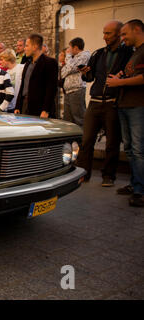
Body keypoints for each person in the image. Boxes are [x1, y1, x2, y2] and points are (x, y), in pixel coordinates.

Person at [77, 20, 134, 187]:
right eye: (103, 33)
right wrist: (85, 73)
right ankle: (83, 173)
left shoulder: (128, 54)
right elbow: (90, 78)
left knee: (112, 142)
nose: (104, 37)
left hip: (113, 103)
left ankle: (108, 176)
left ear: (118, 34)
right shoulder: (98, 53)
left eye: (108, 33)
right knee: (87, 140)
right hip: (94, 102)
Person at [106, 19, 144, 207]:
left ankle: (141, 190)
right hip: (125, 105)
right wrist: (121, 77)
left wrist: (119, 83)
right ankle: (135, 184)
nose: (122, 38)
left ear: (137, 29)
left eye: (124, 34)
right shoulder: (135, 53)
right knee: (129, 148)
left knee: (138, 149)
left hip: (138, 106)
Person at [14, 33, 59, 118]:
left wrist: (46, 110)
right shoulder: (27, 64)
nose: (24, 48)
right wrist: (18, 105)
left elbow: (51, 88)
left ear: (35, 47)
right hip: (24, 106)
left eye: (27, 46)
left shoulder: (50, 63)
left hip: (40, 108)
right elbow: (23, 85)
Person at [60, 37, 91, 127]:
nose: (68, 50)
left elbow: (69, 68)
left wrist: (68, 56)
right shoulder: (73, 59)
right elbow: (63, 73)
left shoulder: (84, 56)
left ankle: (82, 140)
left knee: (78, 118)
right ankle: (71, 140)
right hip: (68, 91)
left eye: (69, 48)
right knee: (68, 119)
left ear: (76, 48)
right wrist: (69, 66)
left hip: (77, 90)